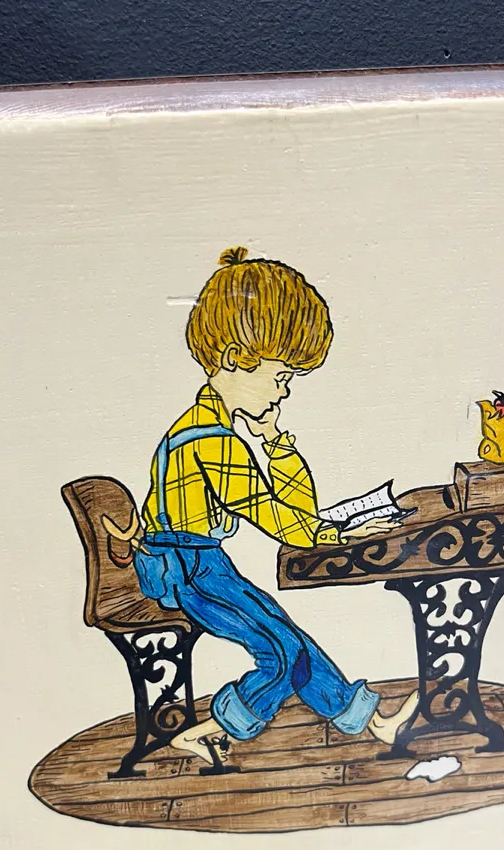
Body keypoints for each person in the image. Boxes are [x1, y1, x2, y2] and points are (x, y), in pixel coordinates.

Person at [135, 246, 418, 764]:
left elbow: (294, 512)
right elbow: (283, 522)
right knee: (281, 653)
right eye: (280, 376)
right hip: (186, 568)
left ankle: (372, 723)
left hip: (202, 563)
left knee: (293, 641)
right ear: (234, 359)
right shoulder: (209, 440)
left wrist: (274, 442)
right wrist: (333, 533)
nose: (284, 391)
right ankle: (208, 732)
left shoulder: (213, 429)